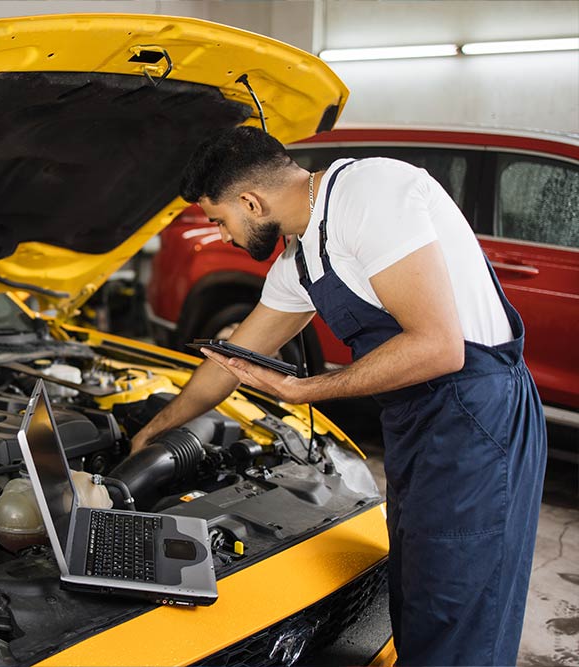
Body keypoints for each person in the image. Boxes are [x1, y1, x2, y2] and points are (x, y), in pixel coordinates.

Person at [131, 126, 546, 666]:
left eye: (220, 220)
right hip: (419, 425)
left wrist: (306, 390)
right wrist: (156, 430)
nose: (224, 237)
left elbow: (440, 347)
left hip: (476, 421)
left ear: (251, 201)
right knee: (417, 605)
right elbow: (230, 362)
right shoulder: (300, 258)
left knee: (461, 616)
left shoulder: (370, 194)